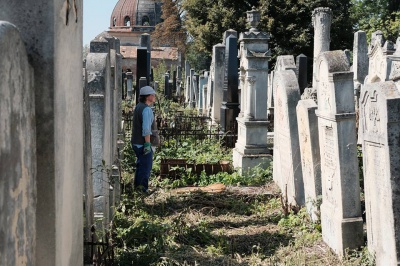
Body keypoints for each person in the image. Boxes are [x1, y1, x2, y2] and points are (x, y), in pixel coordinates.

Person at [131, 85, 156, 193]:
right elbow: (146, 129)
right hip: (142, 144)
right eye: (152, 94)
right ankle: (142, 190)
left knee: (140, 166)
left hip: (136, 142)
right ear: (148, 97)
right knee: (145, 168)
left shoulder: (138, 106)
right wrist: (147, 144)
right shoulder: (146, 109)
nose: (154, 96)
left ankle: (137, 188)